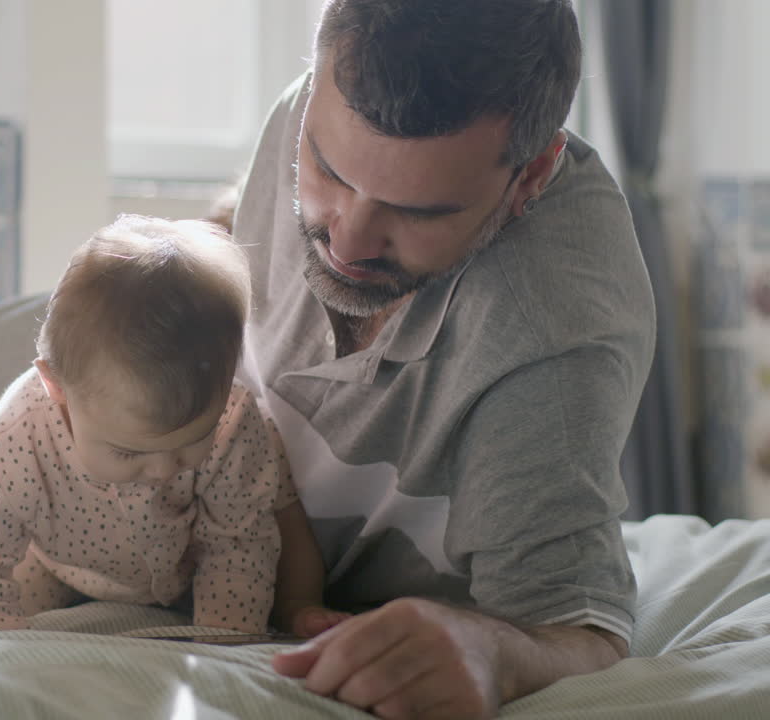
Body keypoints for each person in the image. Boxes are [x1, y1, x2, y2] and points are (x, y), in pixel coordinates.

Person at [234, 0, 655, 716]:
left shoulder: (552, 327)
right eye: (330, 173)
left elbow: (577, 631)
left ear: (531, 176)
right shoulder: (301, 111)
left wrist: (493, 652)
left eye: (418, 212)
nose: (351, 242)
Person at [0, 215, 323, 635]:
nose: (164, 471)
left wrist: (223, 642)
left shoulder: (234, 421)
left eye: (193, 440)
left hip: (186, 569)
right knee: (15, 619)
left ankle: (301, 608)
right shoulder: (10, 441)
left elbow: (237, 546)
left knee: (280, 536)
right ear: (58, 388)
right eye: (128, 451)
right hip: (57, 565)